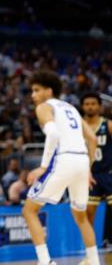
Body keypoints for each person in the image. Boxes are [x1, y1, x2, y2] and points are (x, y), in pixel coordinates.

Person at [22, 71, 99, 265]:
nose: (33, 95)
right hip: (81, 161)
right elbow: (92, 138)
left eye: (36, 90)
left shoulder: (43, 107)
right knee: (80, 216)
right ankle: (94, 261)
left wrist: (43, 167)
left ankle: (46, 262)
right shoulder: (72, 108)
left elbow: (54, 135)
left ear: (48, 91)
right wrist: (87, 168)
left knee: (29, 211)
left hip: (63, 159)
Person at [81, 93, 112, 248]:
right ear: (82, 106)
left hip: (108, 174)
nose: (90, 106)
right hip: (88, 176)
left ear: (99, 106)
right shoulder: (78, 127)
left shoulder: (108, 125)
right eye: (87, 104)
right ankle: (90, 249)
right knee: (88, 214)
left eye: (93, 103)